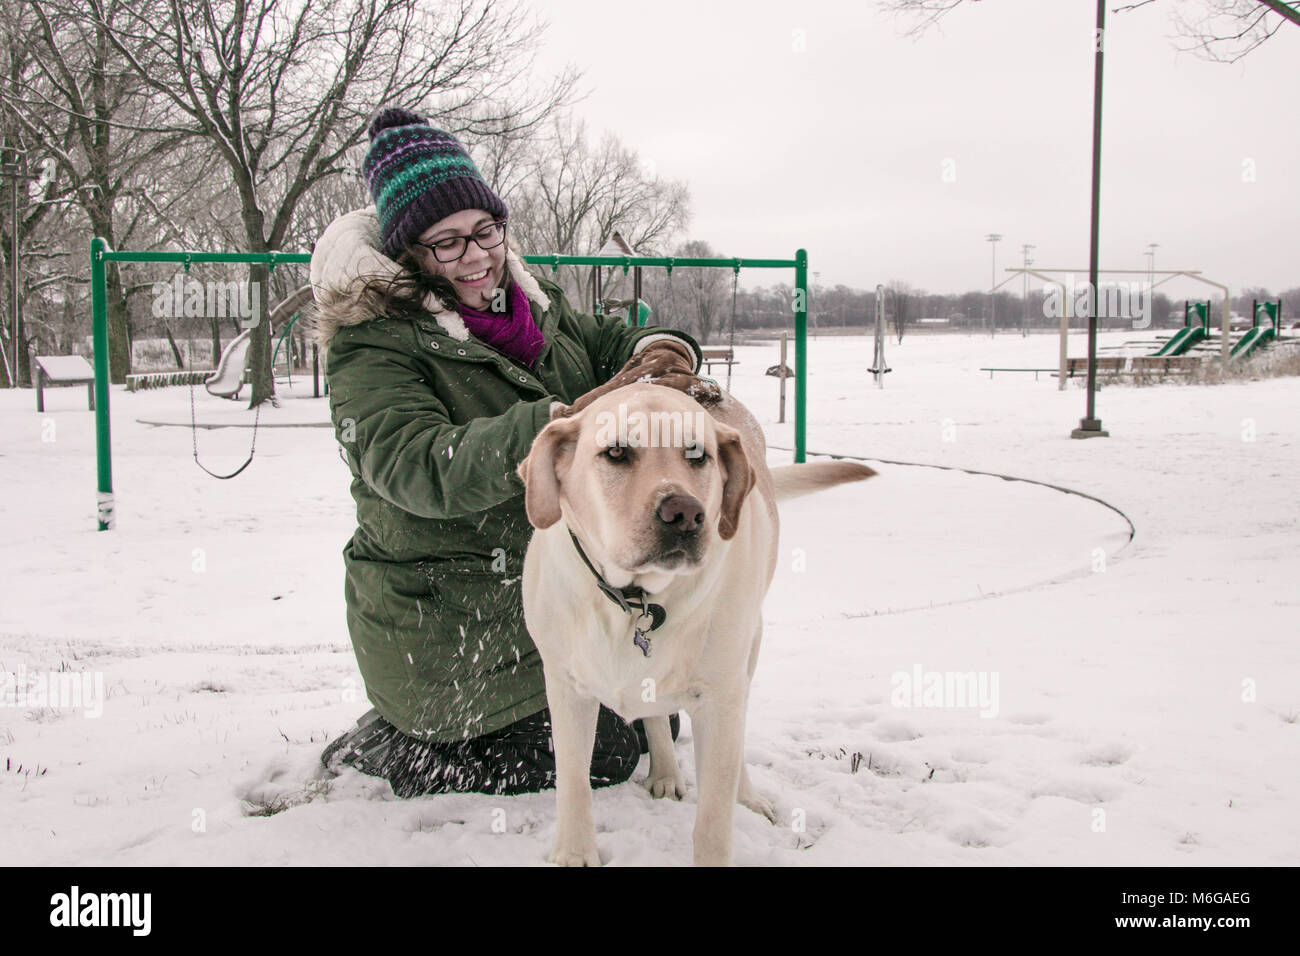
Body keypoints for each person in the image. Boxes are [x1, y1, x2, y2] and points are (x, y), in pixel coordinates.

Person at [311, 107, 719, 798]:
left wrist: (662, 353)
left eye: (484, 231)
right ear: (410, 251)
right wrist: (560, 425)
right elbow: (416, 466)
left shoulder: (539, 305)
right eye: (446, 244)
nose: (475, 256)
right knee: (609, 755)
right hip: (450, 621)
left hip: (554, 594)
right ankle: (394, 743)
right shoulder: (374, 341)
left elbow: (612, 348)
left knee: (656, 719)